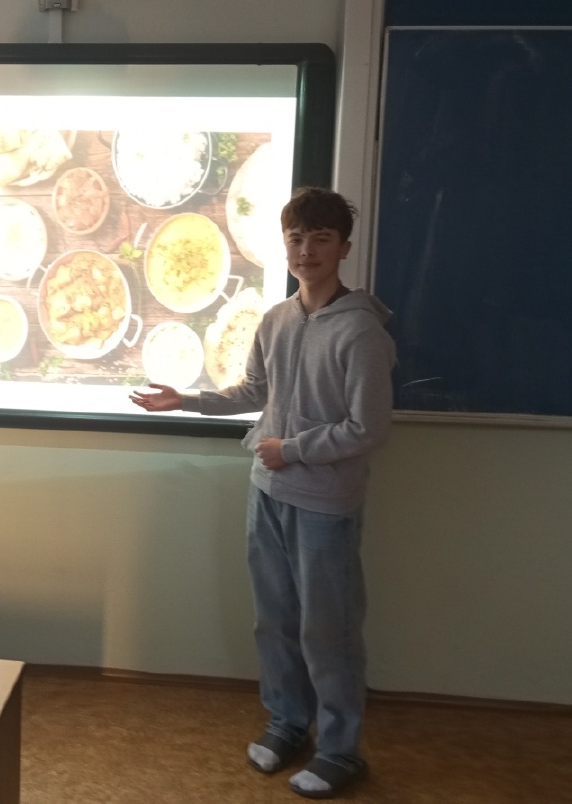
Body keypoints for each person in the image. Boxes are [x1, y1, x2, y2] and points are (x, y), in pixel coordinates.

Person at [130, 187, 394, 799]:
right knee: (273, 621)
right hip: (267, 492)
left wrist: (292, 449)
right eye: (296, 239)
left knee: (327, 629)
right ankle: (287, 722)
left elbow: (368, 428)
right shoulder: (276, 319)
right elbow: (253, 391)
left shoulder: (362, 331)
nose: (306, 251)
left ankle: (340, 750)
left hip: (324, 505)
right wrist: (187, 399)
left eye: (321, 239)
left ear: (343, 248)